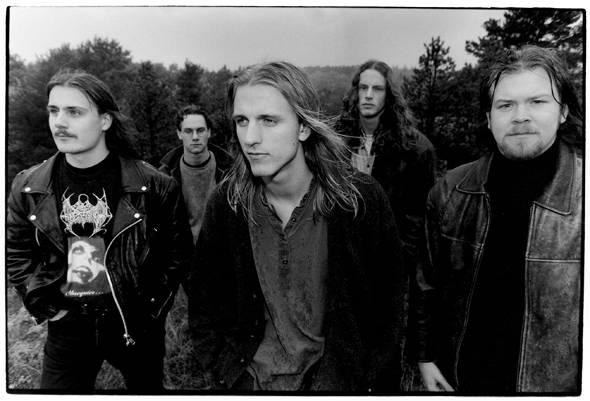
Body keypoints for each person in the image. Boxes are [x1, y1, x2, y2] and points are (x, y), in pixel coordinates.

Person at [188, 61, 406, 393]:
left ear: (303, 128)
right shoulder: (227, 204)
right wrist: (229, 374)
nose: (250, 138)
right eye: (242, 121)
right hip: (252, 383)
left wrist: (367, 383)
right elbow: (204, 304)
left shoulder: (359, 201)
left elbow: (387, 313)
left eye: (268, 120)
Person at [6, 69, 193, 393]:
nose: (59, 122)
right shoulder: (28, 187)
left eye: (74, 112)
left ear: (105, 120)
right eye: (54, 111)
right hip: (67, 326)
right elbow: (17, 253)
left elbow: (177, 255)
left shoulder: (154, 186)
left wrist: (150, 309)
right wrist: (50, 308)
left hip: (133, 321)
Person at [414, 45, 583, 394]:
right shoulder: (449, 192)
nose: (521, 116)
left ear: (563, 111)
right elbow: (427, 286)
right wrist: (425, 357)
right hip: (462, 382)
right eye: (506, 105)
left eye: (537, 101)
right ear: (489, 118)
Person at [337, 60, 436, 267]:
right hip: (344, 258)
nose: (368, 95)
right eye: (363, 87)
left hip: (390, 262)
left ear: (389, 95)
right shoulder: (337, 141)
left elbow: (417, 218)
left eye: (377, 89)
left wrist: (399, 262)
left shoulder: (416, 149)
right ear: (356, 92)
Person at [158, 105, 232, 244]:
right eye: (188, 131)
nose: (195, 137)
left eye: (200, 130)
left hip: (221, 250)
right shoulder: (164, 177)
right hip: (182, 252)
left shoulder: (230, 171)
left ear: (209, 132)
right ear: (179, 134)